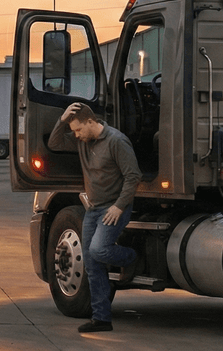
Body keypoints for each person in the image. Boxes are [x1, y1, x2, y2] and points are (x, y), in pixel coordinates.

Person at [48, 102, 142, 333]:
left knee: (97, 251)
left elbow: (133, 176)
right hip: (93, 209)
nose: (76, 134)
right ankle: (101, 319)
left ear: (91, 122)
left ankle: (132, 258)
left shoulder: (116, 141)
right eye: (74, 131)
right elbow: (54, 143)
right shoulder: (83, 141)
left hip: (114, 209)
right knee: (92, 264)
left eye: (79, 129)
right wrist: (62, 120)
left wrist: (119, 207)